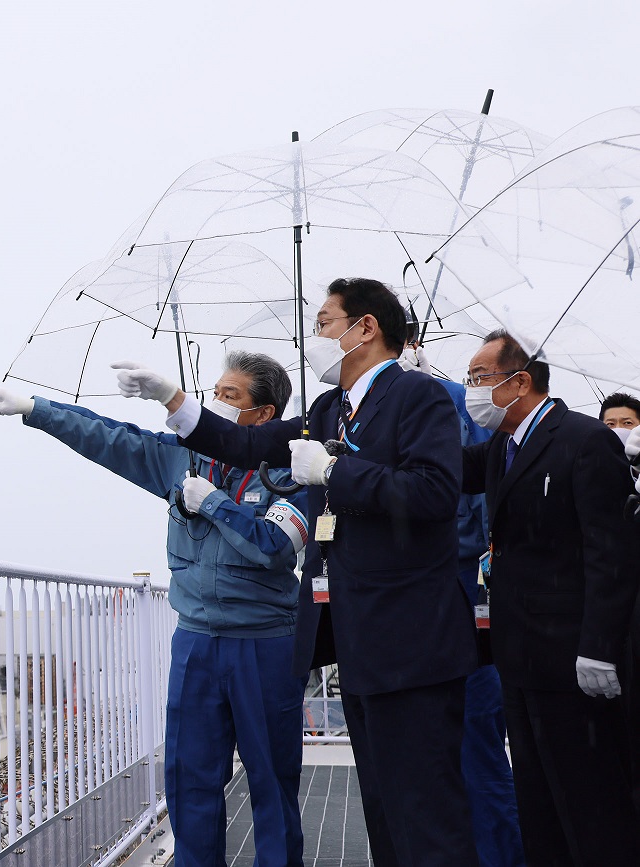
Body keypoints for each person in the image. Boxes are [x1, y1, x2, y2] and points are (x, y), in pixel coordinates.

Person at [116, 277, 480, 867]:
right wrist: (172, 399)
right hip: (359, 639)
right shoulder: (331, 408)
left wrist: (334, 471)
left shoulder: (419, 397)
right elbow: (241, 443)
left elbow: (436, 492)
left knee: (425, 810)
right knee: (384, 809)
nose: (314, 337)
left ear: (366, 328)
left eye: (323, 323)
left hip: (412, 641)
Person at [0, 349, 307, 867]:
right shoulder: (180, 459)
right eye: (214, 393)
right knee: (189, 777)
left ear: (263, 415)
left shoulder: (294, 471)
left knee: (270, 780)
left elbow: (274, 548)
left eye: (230, 396)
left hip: (264, 644)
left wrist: (215, 502)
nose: (215, 403)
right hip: (195, 641)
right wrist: (34, 408)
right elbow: (107, 437)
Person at [460, 330, 640, 865]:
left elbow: (612, 551)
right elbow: (444, 465)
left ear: (520, 381)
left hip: (573, 659)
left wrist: (599, 645)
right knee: (537, 801)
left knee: (589, 801)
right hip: (519, 656)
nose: (471, 391)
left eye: (479, 379)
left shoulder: (584, 440)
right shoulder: (503, 446)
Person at [401, 343, 526, 867]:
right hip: (409, 607)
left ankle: (502, 858)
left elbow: (473, 502)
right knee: (426, 760)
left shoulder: (459, 407)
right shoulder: (368, 412)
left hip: (462, 599)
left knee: (476, 750)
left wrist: (440, 392)